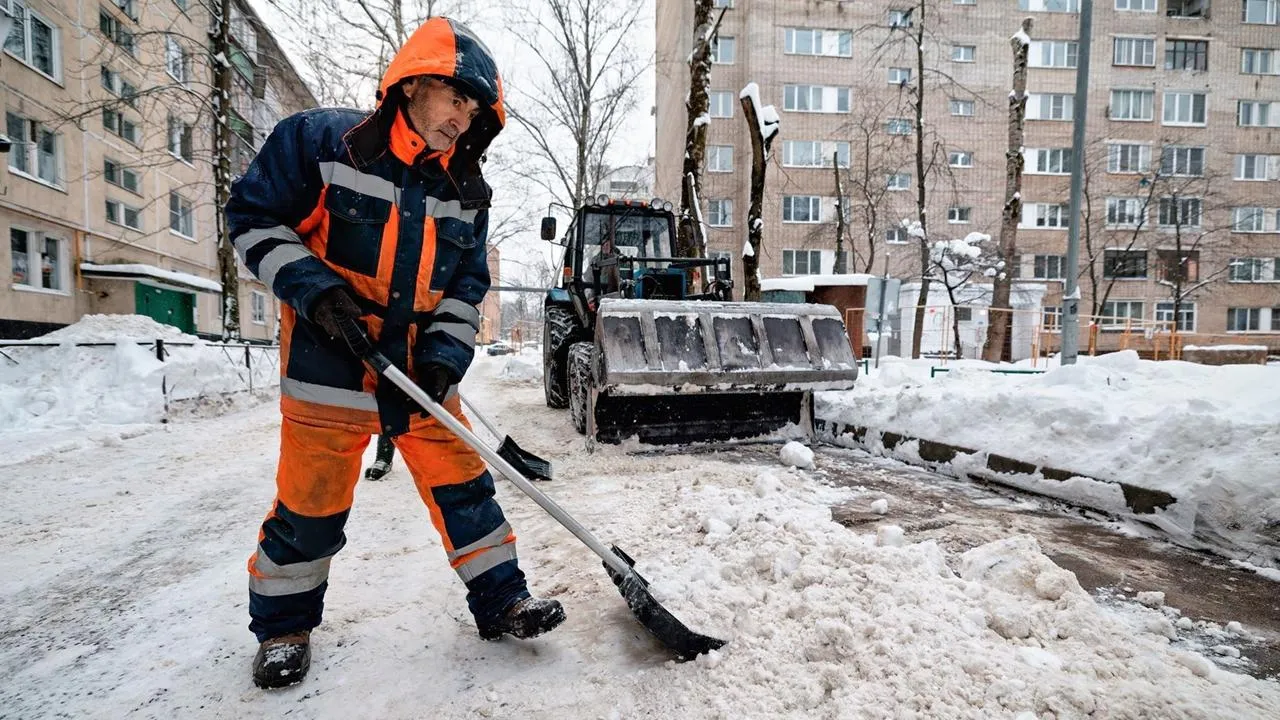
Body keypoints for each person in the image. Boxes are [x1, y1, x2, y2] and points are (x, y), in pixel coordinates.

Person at [225, 18, 564, 690]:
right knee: (311, 506)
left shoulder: (467, 188)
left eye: (474, 111)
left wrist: (445, 354)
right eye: (455, 100)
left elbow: (468, 285)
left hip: (415, 370)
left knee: (466, 488)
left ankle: (502, 602)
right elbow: (253, 218)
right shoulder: (322, 144)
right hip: (328, 361)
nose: (463, 122)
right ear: (413, 85)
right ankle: (284, 627)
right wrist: (317, 294)